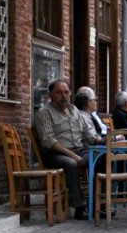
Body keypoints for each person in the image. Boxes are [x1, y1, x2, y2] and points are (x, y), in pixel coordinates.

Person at [33, 79, 105, 220]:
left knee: (102, 156)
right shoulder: (44, 113)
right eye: (59, 93)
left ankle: (98, 204)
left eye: (66, 92)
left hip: (78, 150)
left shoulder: (74, 110)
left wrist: (102, 140)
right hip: (55, 154)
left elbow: (87, 134)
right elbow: (49, 142)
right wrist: (73, 156)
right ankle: (79, 207)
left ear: (70, 93)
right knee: (71, 163)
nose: (64, 96)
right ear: (51, 95)